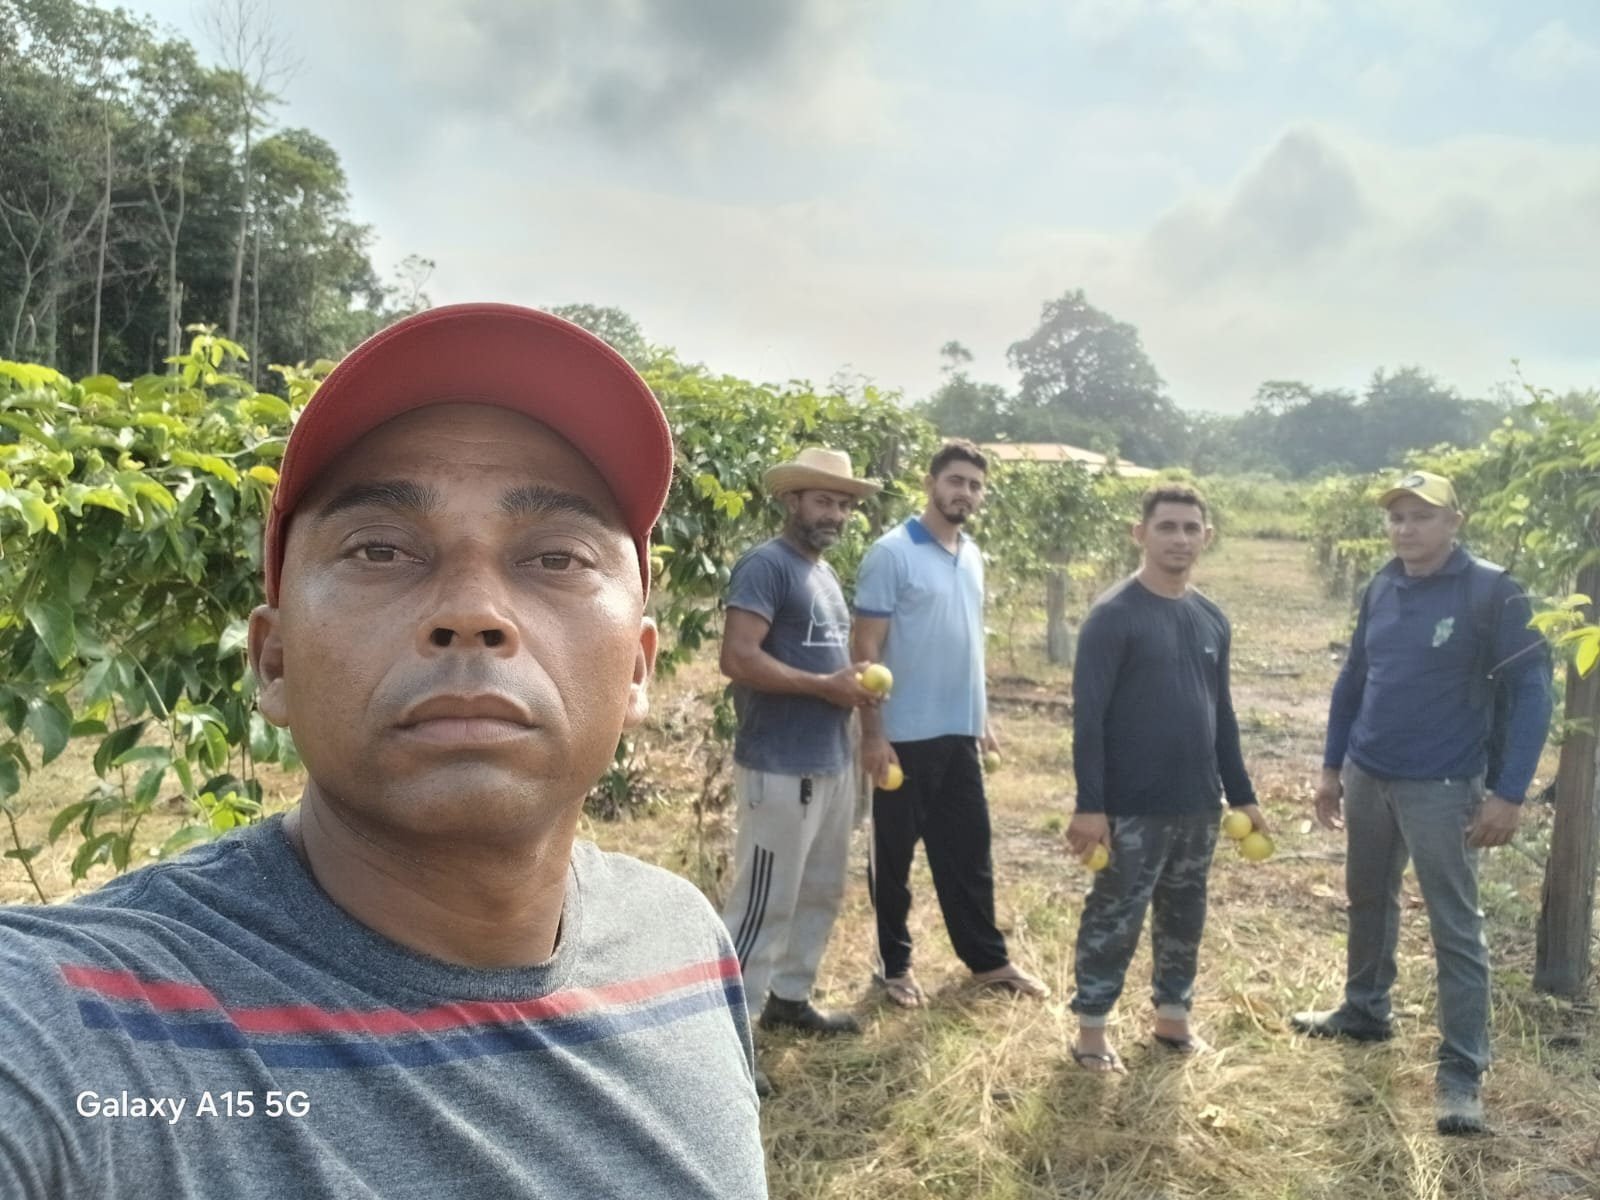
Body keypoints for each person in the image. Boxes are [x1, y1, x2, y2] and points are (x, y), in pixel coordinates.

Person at [0, 304, 768, 1197]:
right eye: (379, 549)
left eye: (557, 558)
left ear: (637, 667)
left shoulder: (683, 945)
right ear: (273, 662)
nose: (472, 612)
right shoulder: (79, 1025)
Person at [1293, 470, 1552, 1136]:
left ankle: (1462, 1071)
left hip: (1444, 784)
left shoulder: (1492, 591)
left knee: (1454, 927)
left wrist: (1509, 793)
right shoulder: (1382, 585)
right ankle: (1364, 1009)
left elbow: (1532, 692)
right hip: (1370, 774)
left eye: (1421, 515)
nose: (1405, 528)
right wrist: (1331, 767)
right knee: (1368, 899)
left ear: (1454, 522)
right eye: (1397, 516)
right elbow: (1355, 677)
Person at [1063, 484, 1262, 1072]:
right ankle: (1092, 1030)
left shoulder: (1211, 618)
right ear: (1140, 534)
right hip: (1131, 803)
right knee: (1114, 916)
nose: (1180, 538)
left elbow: (1222, 714)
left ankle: (1173, 1018)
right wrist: (1091, 806)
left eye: (1190, 528)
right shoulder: (1113, 617)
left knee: (1184, 911)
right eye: (1167, 527)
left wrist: (1242, 795)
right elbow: (1089, 719)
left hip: (1197, 802)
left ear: (1207, 537)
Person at [852, 439, 1048, 1008]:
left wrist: (980, 716)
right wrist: (873, 734)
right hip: (902, 737)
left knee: (968, 852)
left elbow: (967, 642)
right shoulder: (892, 553)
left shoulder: (973, 554)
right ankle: (892, 967)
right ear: (931, 484)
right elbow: (865, 649)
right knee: (893, 861)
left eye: (975, 485)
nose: (965, 492)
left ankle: (987, 961)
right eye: (956, 480)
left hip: (958, 734)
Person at [718, 448, 881, 1090]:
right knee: (763, 903)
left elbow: (823, 662)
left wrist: (849, 683)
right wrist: (824, 687)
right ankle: (725, 1037)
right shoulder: (767, 565)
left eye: (843, 504)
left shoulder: (823, 572)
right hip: (781, 764)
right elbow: (738, 657)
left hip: (829, 760)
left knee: (819, 890)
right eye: (823, 500)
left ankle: (790, 997)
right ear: (791, 501)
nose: (835, 513)